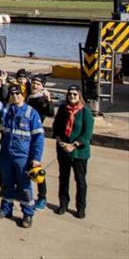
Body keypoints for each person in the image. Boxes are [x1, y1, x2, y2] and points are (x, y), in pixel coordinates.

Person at [0, 84, 44, 228]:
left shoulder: (31, 113)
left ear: (23, 95)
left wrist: (36, 159)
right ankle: (6, 209)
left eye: (17, 93)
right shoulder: (7, 110)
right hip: (7, 154)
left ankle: (27, 213)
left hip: (22, 157)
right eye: (12, 94)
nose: (15, 96)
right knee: (7, 184)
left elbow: (38, 138)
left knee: (24, 186)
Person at [52, 85, 93, 219]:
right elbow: (56, 127)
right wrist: (60, 142)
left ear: (79, 96)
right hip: (64, 150)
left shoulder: (85, 112)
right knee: (63, 178)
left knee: (80, 181)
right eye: (70, 94)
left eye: (75, 94)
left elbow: (87, 134)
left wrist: (74, 145)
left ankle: (80, 207)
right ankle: (63, 204)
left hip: (79, 152)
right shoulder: (63, 110)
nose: (72, 96)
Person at [26, 75, 55, 212]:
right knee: (24, 166)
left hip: (35, 136)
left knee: (36, 167)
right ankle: (24, 191)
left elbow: (50, 113)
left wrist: (49, 100)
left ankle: (42, 197)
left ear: (42, 86)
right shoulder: (28, 96)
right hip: (24, 137)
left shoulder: (41, 99)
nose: (35, 85)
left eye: (38, 84)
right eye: (34, 83)